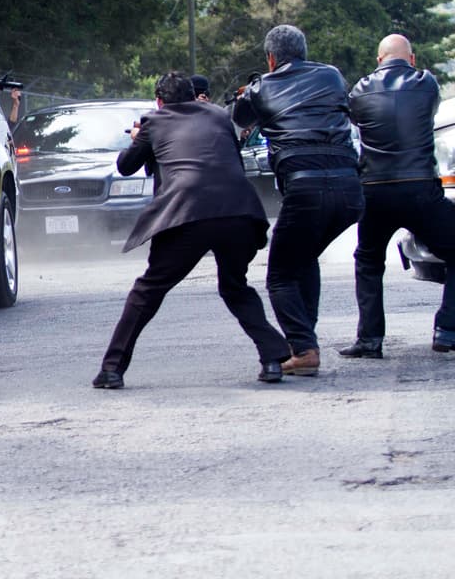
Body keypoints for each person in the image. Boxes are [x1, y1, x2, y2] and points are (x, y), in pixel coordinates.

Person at [92, 72, 289, 389]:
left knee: (147, 291)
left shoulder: (154, 122)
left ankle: (112, 369)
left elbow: (125, 166)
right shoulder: (218, 115)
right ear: (193, 95)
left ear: (159, 101)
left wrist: (139, 137)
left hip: (187, 213)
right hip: (238, 210)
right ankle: (273, 356)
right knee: (235, 287)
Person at [231, 24, 363, 376]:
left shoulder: (261, 87)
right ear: (304, 52)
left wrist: (248, 91)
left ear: (271, 58)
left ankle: (303, 350)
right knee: (303, 258)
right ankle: (304, 340)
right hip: (350, 190)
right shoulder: (332, 75)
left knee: (280, 275)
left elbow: (240, 119)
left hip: (305, 187)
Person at [343, 33, 455, 357]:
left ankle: (369, 340)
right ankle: (447, 329)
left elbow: (355, 120)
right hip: (420, 189)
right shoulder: (426, 84)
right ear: (412, 59)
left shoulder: (359, 91)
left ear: (379, 61)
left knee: (368, 261)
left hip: (374, 191)